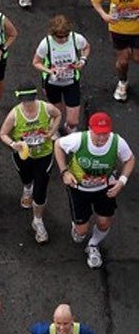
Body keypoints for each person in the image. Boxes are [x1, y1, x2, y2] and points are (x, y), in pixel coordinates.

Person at [54, 112, 134, 269]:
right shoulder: (78, 140)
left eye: (105, 134)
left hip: (105, 188)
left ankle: (93, 245)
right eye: (98, 134)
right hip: (78, 188)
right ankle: (79, 227)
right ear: (90, 129)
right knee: (80, 232)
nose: (102, 138)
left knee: (104, 223)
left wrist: (122, 181)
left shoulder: (117, 142)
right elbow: (58, 145)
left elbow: (129, 159)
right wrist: (64, 171)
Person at [0, 84, 61, 244]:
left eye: (30, 100)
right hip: (23, 156)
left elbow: (58, 114)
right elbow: (3, 133)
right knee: (26, 178)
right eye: (25, 101)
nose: (28, 104)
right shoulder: (15, 114)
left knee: (40, 189)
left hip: (44, 155)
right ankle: (27, 188)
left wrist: (52, 131)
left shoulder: (46, 108)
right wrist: (13, 144)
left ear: (35, 97)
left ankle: (38, 221)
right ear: (20, 99)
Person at [90, 0, 139, 101]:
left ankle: (131, 51)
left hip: (137, 29)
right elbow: (95, 0)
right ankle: (122, 82)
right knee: (123, 61)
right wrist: (104, 15)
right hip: (118, 29)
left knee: (137, 57)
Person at [32, 15, 90, 133]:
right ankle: (56, 133)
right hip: (52, 83)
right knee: (56, 114)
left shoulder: (76, 38)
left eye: (65, 36)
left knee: (73, 121)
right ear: (53, 34)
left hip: (71, 82)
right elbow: (36, 62)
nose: (63, 39)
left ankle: (69, 132)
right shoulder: (46, 43)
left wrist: (83, 60)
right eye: (59, 37)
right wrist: (49, 71)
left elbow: (86, 47)